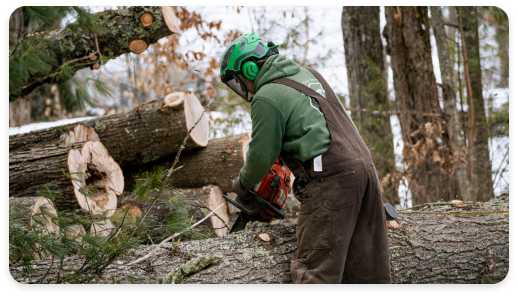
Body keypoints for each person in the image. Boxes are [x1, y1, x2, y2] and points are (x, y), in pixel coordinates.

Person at [220, 33, 392, 284]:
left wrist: (242, 184)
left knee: (315, 273)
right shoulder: (310, 75)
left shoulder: (267, 96)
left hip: (332, 181)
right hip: (365, 170)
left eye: (238, 80)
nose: (242, 87)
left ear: (249, 67)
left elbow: (260, 157)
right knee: (368, 274)